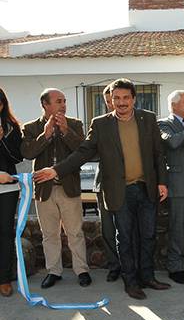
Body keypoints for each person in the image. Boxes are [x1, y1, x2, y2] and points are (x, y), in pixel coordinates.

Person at [34, 79, 170, 300]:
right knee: (124, 238)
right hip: (119, 191)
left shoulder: (148, 119)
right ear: (111, 100)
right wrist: (56, 170)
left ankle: (147, 277)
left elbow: (158, 154)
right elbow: (83, 153)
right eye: (117, 98)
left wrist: (162, 182)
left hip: (146, 188)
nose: (121, 102)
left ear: (134, 98)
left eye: (126, 97)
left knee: (148, 236)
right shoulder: (101, 124)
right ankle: (130, 282)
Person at [21, 88, 91, 289]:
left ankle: (82, 270)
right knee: (49, 234)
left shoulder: (75, 124)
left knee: (75, 232)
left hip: (68, 186)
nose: (63, 104)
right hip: (45, 190)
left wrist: (67, 131)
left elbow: (83, 151)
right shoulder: (31, 127)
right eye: (58, 101)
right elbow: (27, 153)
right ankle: (54, 271)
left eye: (64, 101)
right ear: (45, 104)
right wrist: (46, 134)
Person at [158, 90, 184, 285]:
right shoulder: (164, 123)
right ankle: (175, 267)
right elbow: (172, 142)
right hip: (177, 183)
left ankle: (183, 260)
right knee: (177, 227)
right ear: (173, 106)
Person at [93, 84, 121, 282]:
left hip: (129, 185)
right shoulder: (101, 124)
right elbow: (91, 151)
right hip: (104, 184)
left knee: (127, 229)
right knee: (108, 229)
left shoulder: (137, 120)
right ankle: (114, 265)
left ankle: (131, 265)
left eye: (116, 99)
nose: (113, 104)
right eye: (109, 101)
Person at [0, 88, 23, 297]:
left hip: (7, 189)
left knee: (5, 233)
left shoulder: (11, 128)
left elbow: (17, 158)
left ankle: (4, 279)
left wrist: (2, 140)